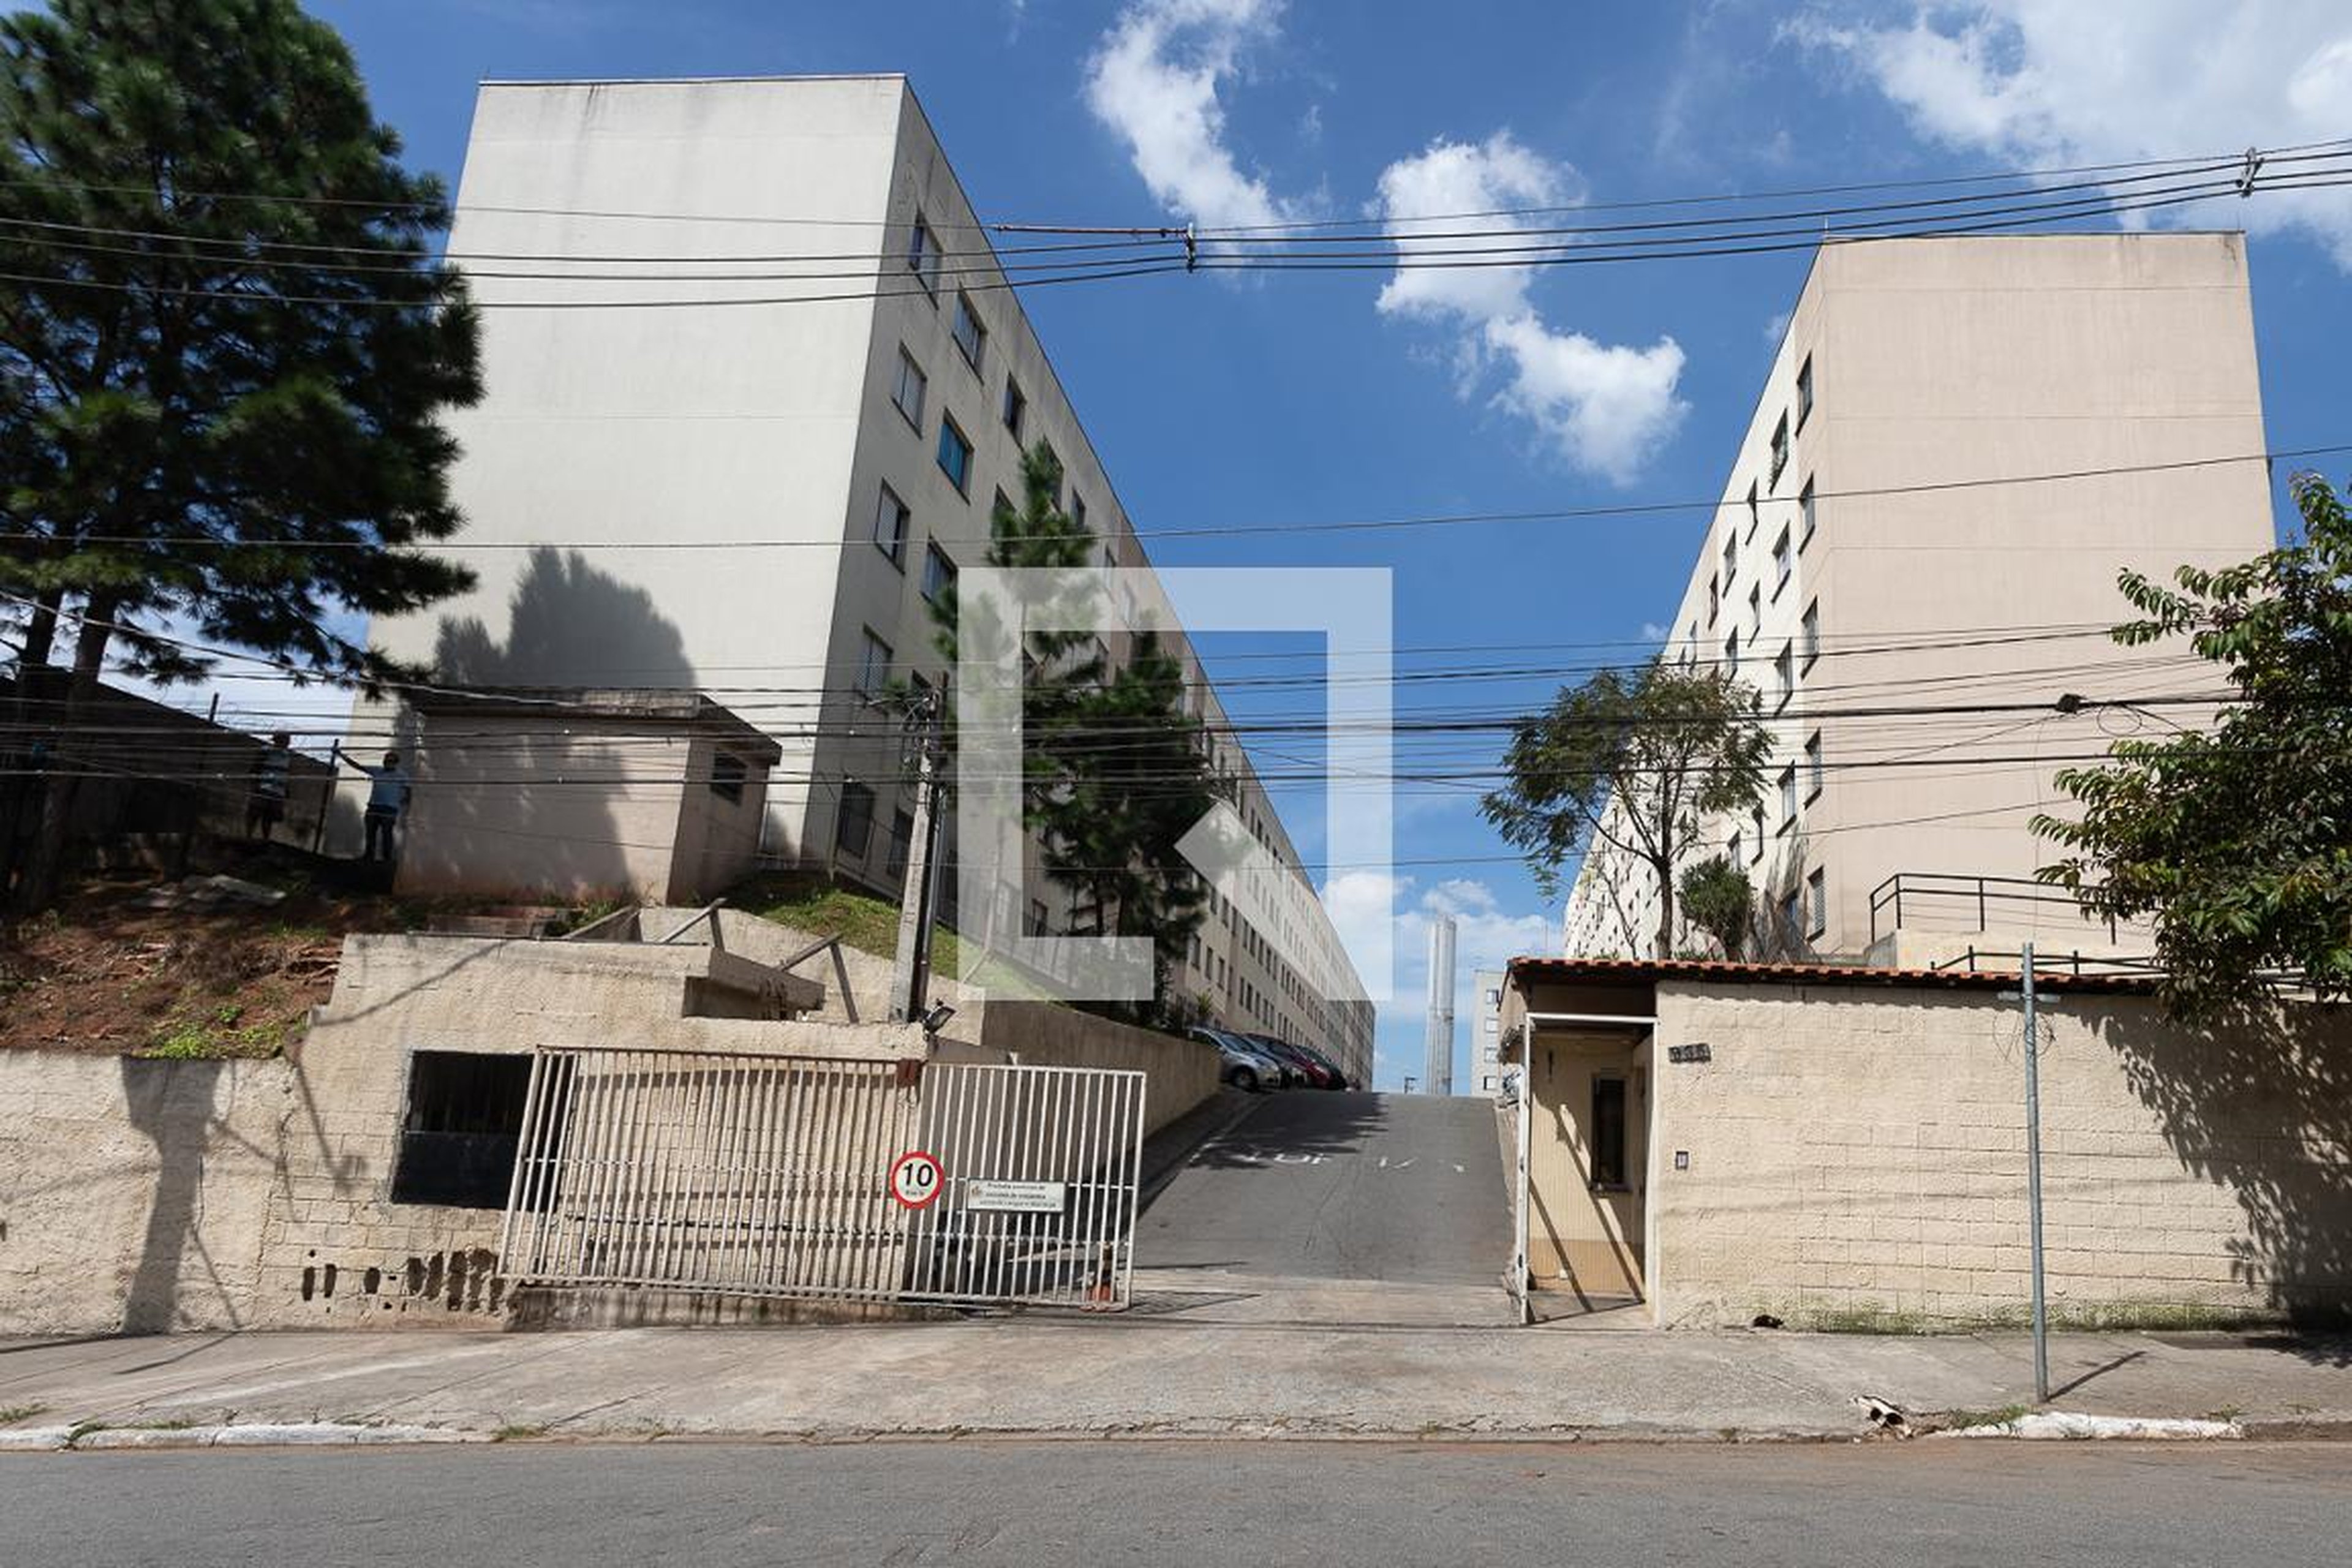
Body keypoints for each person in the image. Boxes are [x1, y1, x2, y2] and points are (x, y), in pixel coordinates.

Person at [360, 750, 412, 865]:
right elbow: (359, 767)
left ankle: (387, 859)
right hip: (374, 807)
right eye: (386, 760)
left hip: (389, 809)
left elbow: (408, 791)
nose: (387, 763)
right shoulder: (377, 771)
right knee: (370, 833)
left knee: (387, 834)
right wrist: (342, 756)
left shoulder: (402, 775)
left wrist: (402, 802)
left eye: (391, 761)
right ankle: (369, 857)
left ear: (396, 763)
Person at [245, 732, 292, 842]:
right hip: (264, 787)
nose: (287, 744)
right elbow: (256, 768)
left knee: (269, 817)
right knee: (255, 812)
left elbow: (286, 774)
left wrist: (287, 790)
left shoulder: (287, 756)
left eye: (287, 742)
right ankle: (248, 836)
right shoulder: (266, 751)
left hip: (278, 791)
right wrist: (255, 783)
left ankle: (265, 839)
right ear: (278, 741)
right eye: (285, 741)